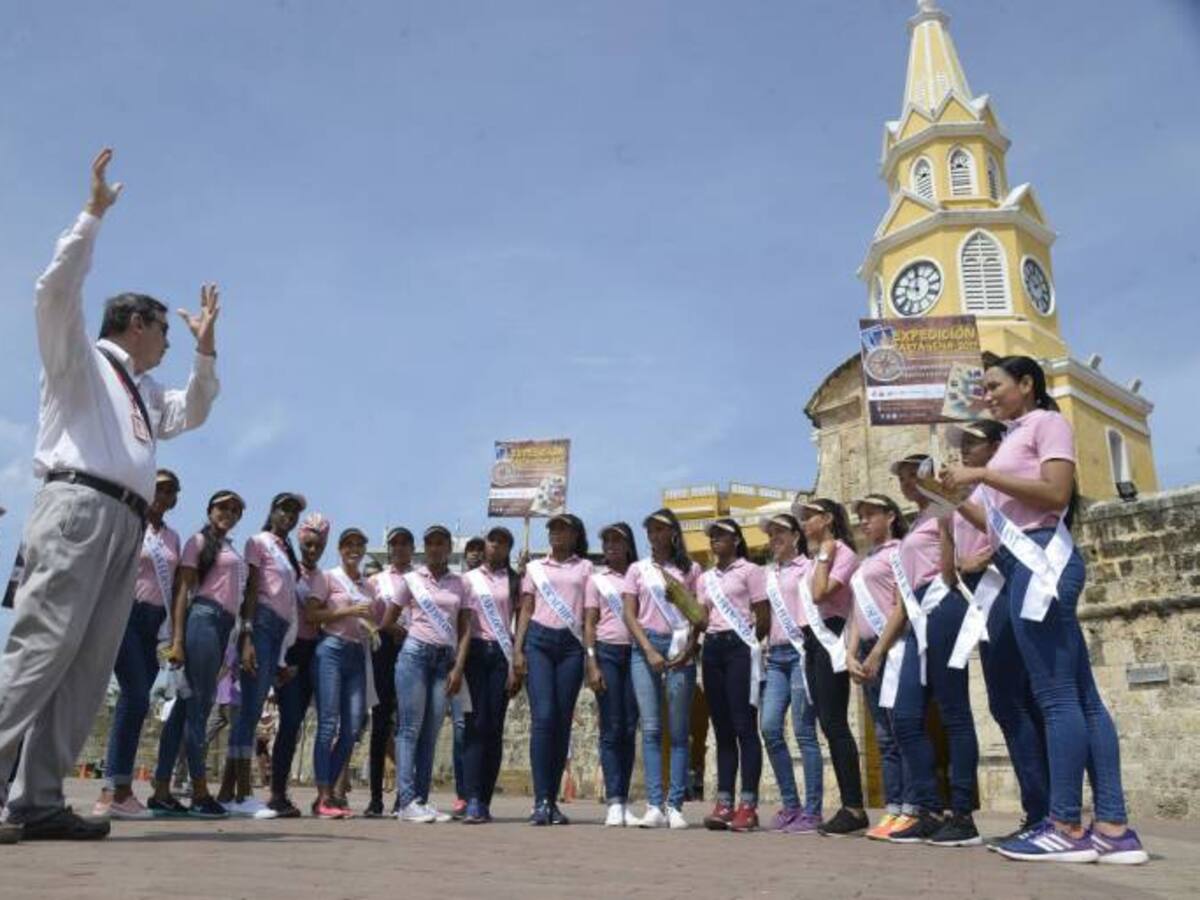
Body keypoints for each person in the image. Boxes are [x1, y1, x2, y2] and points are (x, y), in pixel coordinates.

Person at [0, 149, 220, 844]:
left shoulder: (145, 392)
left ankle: (38, 800)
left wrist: (206, 353)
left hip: (126, 523)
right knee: (42, 648)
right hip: (78, 508)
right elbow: (54, 291)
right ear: (136, 324)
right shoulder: (82, 359)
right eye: (166, 331)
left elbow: (193, 411)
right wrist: (91, 216)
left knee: (89, 666)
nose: (169, 342)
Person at [942, 356, 1148, 864]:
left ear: (1027, 384)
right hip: (1020, 561)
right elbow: (999, 522)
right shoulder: (1016, 436)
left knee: (1057, 699)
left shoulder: (1047, 423)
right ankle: (1113, 827)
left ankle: (1064, 825)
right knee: (1083, 699)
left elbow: (1056, 493)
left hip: (1041, 560)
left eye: (995, 386)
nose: (987, 395)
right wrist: (957, 493)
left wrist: (982, 472)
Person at [861, 455, 982, 846]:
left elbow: (960, 563)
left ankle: (962, 813)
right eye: (902, 478)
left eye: (915, 474)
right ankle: (928, 809)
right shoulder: (917, 522)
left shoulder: (949, 509)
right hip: (917, 615)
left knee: (953, 712)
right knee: (906, 717)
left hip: (943, 604)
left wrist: (947, 524)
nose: (908, 482)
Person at [946, 420, 1051, 847]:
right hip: (979, 594)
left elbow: (1009, 531)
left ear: (995, 446)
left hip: (1002, 584)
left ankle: (1045, 810)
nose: (963, 450)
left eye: (972, 443)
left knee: (1016, 699)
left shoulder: (999, 488)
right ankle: (1040, 808)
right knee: (1007, 701)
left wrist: (982, 559)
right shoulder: (975, 493)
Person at [149, 490, 247, 820]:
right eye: (222, 507)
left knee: (183, 710)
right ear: (209, 510)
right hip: (203, 619)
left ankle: (162, 789)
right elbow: (182, 591)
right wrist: (177, 640)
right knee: (199, 708)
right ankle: (200, 791)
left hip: (222, 626)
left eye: (235, 509)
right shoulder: (198, 541)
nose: (228, 513)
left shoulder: (230, 547)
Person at [92, 469, 182, 820]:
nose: (163, 495)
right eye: (159, 488)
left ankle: (120, 789)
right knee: (135, 696)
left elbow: (175, 586)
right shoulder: (130, 522)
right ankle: (113, 789)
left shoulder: (173, 538)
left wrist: (174, 635)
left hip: (154, 623)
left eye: (170, 491)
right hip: (125, 612)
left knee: (137, 702)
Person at [217, 492, 306, 818]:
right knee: (249, 711)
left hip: (279, 631)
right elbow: (252, 589)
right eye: (285, 509)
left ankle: (229, 793)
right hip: (262, 624)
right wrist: (247, 635)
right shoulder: (259, 542)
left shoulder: (286, 550)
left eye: (294, 512)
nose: (289, 516)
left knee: (252, 712)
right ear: (273, 511)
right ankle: (240, 793)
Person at [380, 526, 471, 824]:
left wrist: (458, 666)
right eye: (430, 543)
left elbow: (465, 628)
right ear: (425, 547)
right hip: (415, 657)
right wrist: (408, 635)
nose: (435, 548)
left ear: (449, 548)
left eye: (440, 543)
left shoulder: (460, 583)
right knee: (409, 729)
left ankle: (420, 799)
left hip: (445, 662)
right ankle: (406, 801)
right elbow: (387, 621)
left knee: (430, 733)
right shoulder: (412, 580)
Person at [623, 508, 704, 830]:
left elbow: (699, 614)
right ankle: (654, 804)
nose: (654, 535)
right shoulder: (637, 569)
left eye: (660, 529)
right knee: (652, 729)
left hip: (680, 646)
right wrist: (647, 649)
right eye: (651, 530)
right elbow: (629, 614)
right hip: (646, 647)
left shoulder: (691, 569)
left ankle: (676, 805)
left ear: (673, 533)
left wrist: (689, 648)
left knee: (680, 731)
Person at [512, 514, 592, 826]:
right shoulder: (535, 567)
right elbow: (526, 609)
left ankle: (552, 800)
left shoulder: (585, 568)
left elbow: (589, 615)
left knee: (562, 722)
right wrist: (518, 649)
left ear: (575, 535)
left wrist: (590, 655)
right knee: (543, 718)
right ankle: (541, 800)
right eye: (553, 528)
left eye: (563, 529)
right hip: (539, 642)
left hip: (571, 646)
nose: (557, 533)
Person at [794, 498, 867, 837]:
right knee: (826, 723)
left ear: (826, 519)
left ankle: (854, 807)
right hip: (812, 640)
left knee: (836, 723)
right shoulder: (815, 558)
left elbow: (821, 594)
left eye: (809, 517)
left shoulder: (843, 553)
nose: (804, 523)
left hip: (831, 636)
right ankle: (849, 806)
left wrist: (824, 554)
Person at [845, 494, 912, 840]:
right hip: (867, 649)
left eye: (870, 514)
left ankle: (912, 807)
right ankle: (893, 807)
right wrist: (851, 653)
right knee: (884, 735)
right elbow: (857, 612)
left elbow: (902, 606)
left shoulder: (899, 551)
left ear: (890, 516)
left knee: (902, 729)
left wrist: (878, 652)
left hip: (893, 647)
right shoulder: (866, 560)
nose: (864, 521)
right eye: (861, 516)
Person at [698, 518, 768, 833]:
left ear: (736, 539)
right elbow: (703, 618)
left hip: (740, 647)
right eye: (712, 536)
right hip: (712, 647)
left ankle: (748, 805)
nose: (715, 540)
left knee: (744, 726)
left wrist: (751, 645)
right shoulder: (706, 578)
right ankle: (724, 802)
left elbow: (763, 616)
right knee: (722, 728)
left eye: (721, 535)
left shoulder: (750, 571)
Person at [759, 513, 824, 835]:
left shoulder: (808, 567)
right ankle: (791, 804)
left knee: (804, 732)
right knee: (770, 728)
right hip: (775, 657)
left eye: (780, 532)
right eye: (771, 533)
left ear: (796, 536)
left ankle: (812, 811)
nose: (774, 538)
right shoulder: (767, 573)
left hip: (800, 653)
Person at [305, 527, 376, 819]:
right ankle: (324, 794)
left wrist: (372, 626)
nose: (354, 549)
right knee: (327, 724)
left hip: (357, 653)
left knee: (352, 728)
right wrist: (347, 612)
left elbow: (370, 619)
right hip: (331, 649)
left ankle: (329, 791)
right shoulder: (328, 577)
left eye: (359, 544)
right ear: (340, 548)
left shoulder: (367, 585)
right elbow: (312, 614)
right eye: (349, 544)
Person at [268, 512, 331, 816]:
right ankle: (276, 793)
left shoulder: (323, 578)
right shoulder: (286, 568)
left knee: (301, 725)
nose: (313, 549)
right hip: (287, 650)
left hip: (312, 652)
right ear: (299, 540)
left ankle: (295, 792)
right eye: (308, 543)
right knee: (290, 721)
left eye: (319, 545)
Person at [460, 526, 520, 824]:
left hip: (501, 654)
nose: (496, 545)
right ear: (485, 545)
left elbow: (519, 620)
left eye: (503, 542)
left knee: (494, 727)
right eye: (492, 540)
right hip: (473, 653)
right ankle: (471, 797)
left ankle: (484, 799)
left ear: (509, 548)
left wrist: (516, 663)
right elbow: (461, 621)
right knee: (474, 725)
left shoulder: (514, 580)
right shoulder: (468, 578)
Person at [584, 523, 641, 827]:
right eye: (606, 541)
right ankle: (614, 801)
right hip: (606, 652)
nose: (610, 546)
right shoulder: (597, 580)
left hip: (635, 654)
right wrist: (591, 662)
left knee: (629, 727)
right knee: (611, 727)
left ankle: (624, 797)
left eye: (617, 541)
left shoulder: (639, 574)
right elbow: (589, 623)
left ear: (628, 545)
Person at [363, 526, 413, 817]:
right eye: (395, 544)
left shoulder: (420, 578)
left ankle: (404, 797)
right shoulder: (375, 580)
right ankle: (375, 799)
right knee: (380, 725)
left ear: (412, 548)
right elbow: (365, 615)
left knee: (407, 725)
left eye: (405, 543)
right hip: (382, 650)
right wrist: (383, 628)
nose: (399, 548)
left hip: (411, 649)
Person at [448, 536, 485, 819]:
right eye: (470, 549)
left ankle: (474, 792)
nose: (474, 554)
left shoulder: (494, 581)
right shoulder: (458, 583)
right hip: (457, 660)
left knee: (476, 727)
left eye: (479, 550)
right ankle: (462, 792)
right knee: (460, 728)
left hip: (481, 656)